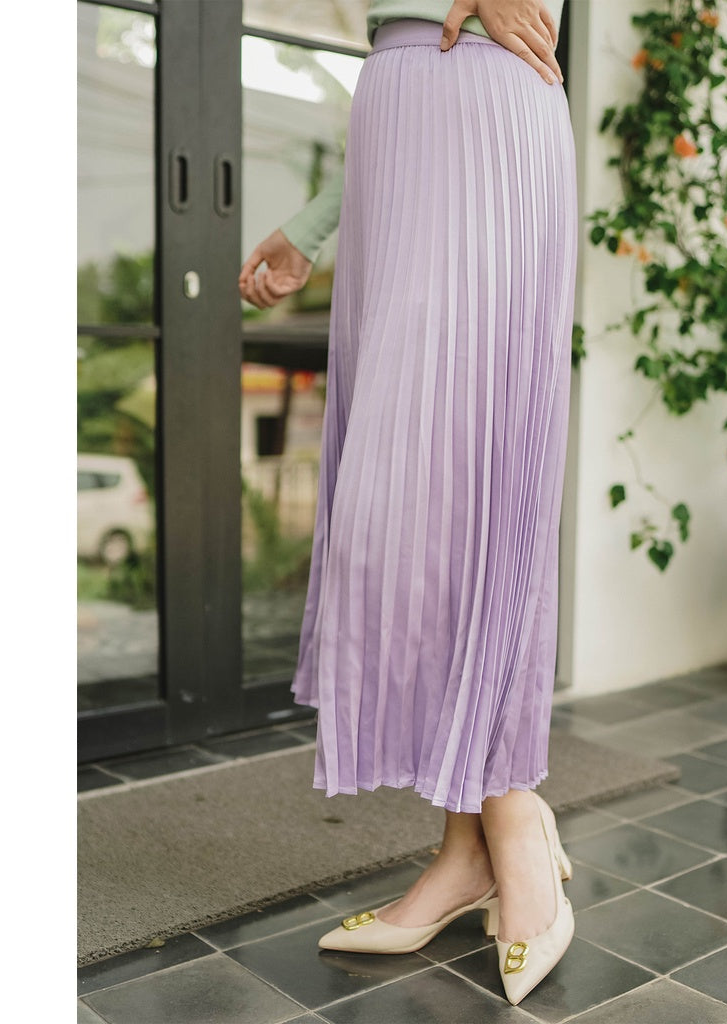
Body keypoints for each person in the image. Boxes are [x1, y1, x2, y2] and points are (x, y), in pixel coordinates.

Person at [239, 0, 577, 1005]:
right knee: (405, 506)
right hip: (395, 108)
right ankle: (470, 848)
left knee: (471, 480)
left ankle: (509, 811)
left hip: (492, 95)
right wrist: (313, 223)